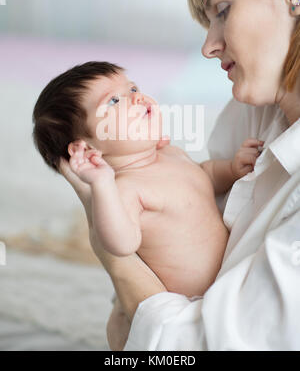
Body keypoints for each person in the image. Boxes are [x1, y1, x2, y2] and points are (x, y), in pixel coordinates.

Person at [59, 0, 300, 350]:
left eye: (222, 10)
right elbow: (189, 204)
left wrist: (116, 260)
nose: (209, 47)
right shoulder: (256, 106)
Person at [32, 61, 264, 349]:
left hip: (228, 284)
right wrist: (101, 184)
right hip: (188, 307)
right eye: (114, 101)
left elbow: (202, 177)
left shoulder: (170, 154)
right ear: (88, 149)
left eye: (133, 88)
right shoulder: (124, 188)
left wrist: (230, 169)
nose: (137, 97)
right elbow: (121, 244)